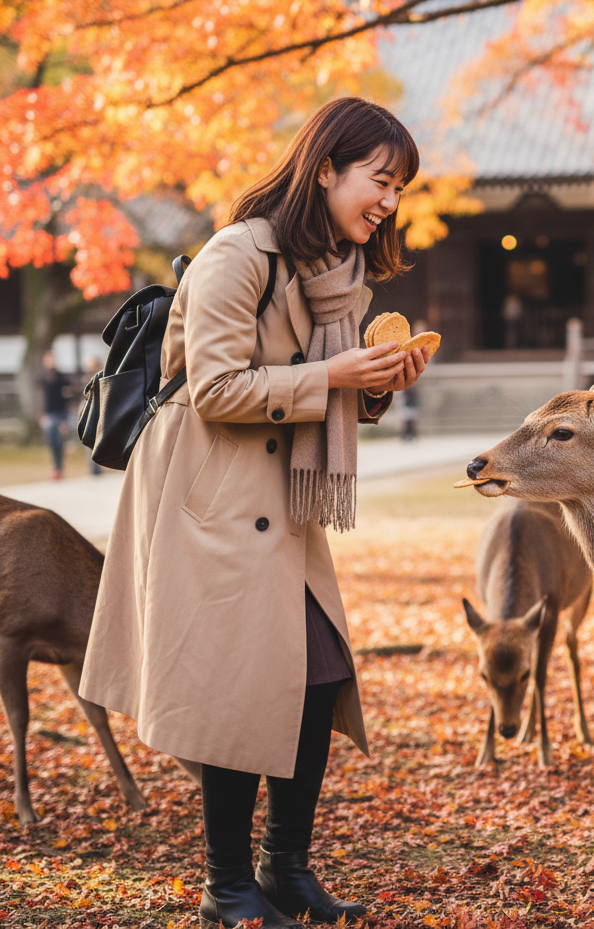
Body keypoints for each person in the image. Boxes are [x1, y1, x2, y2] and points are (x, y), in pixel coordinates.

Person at [79, 98, 429, 929]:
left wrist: (373, 386)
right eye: (379, 181)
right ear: (324, 169)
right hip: (210, 494)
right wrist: (339, 379)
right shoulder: (239, 256)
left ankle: (285, 868)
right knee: (240, 685)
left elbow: (321, 386)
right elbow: (217, 389)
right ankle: (226, 886)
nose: (387, 202)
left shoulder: (337, 272)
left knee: (318, 675)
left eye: (399, 188)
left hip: (280, 498)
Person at [39, 350, 71, 479]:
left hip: (60, 414)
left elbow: (67, 399)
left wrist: (65, 419)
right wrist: (42, 415)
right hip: (48, 414)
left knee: (59, 442)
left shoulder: (62, 378)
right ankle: (55, 468)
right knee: (51, 442)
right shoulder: (42, 378)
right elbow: (41, 399)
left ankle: (60, 468)